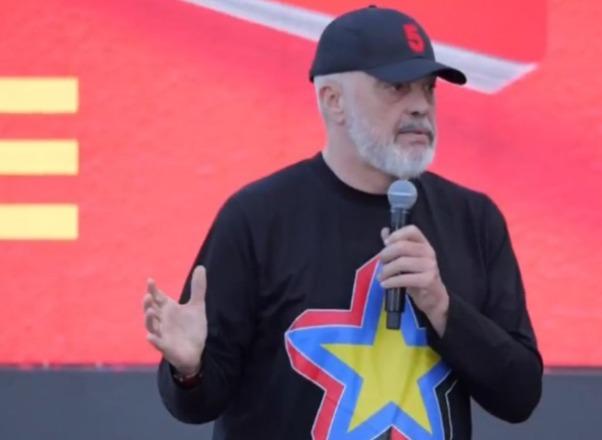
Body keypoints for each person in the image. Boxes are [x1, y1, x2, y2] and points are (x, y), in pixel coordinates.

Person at [142, 5, 542, 439]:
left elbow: (519, 395)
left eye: (428, 89)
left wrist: (441, 307)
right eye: (396, 87)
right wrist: (190, 368)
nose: (420, 107)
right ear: (333, 101)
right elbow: (199, 403)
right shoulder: (258, 218)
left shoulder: (474, 220)